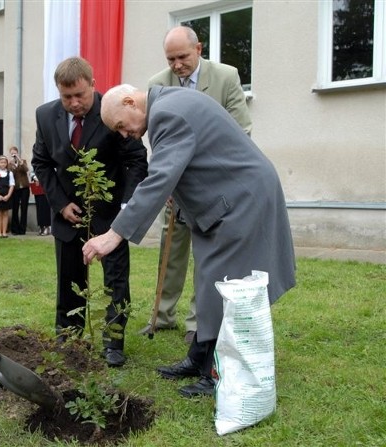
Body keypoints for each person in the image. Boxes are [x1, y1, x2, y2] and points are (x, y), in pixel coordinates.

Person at [82, 84, 295, 397]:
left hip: (242, 199)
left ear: (130, 102)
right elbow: (193, 161)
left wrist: (115, 234)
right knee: (210, 282)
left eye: (121, 126)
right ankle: (200, 357)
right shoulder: (169, 104)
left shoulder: (167, 114)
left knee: (227, 285)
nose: (125, 134)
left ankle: (216, 371)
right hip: (229, 197)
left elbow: (159, 178)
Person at [32, 57, 148, 367]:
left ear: (93, 86)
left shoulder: (112, 112)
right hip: (68, 215)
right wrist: (59, 203)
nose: (73, 103)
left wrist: (125, 211)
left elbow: (136, 160)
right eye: (66, 96)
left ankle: (113, 342)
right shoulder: (45, 116)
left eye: (80, 95)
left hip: (109, 217)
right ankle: (69, 339)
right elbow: (41, 163)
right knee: (69, 280)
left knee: (115, 281)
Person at [140, 25, 253, 343]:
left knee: (206, 254)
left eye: (182, 57)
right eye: (170, 59)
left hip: (214, 185)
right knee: (171, 249)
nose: (176, 65)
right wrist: (169, 183)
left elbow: (241, 131)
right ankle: (161, 315)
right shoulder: (156, 85)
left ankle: (196, 322)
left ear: (199, 49)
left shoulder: (226, 77)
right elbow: (159, 141)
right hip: (177, 184)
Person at [8, 146, 30, 235]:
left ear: (17, 153)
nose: (13, 154)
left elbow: (26, 170)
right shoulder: (9, 164)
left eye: (15, 152)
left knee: (24, 208)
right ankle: (15, 229)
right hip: (16, 188)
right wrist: (12, 164)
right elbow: (10, 174)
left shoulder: (23, 161)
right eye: (12, 153)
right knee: (15, 208)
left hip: (25, 187)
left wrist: (20, 161)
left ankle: (22, 229)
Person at [0, 155, 15, 237]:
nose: (3, 164)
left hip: (6, 195)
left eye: (4, 162)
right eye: (1, 162)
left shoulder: (10, 173)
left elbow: (12, 185)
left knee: (5, 214)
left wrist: (8, 195)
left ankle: (4, 232)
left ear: (6, 163)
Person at [30, 171, 51, 236]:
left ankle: (47, 227)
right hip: (38, 188)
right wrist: (34, 177)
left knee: (45, 208)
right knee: (39, 209)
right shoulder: (36, 163)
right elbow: (32, 172)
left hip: (46, 188)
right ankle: (41, 227)